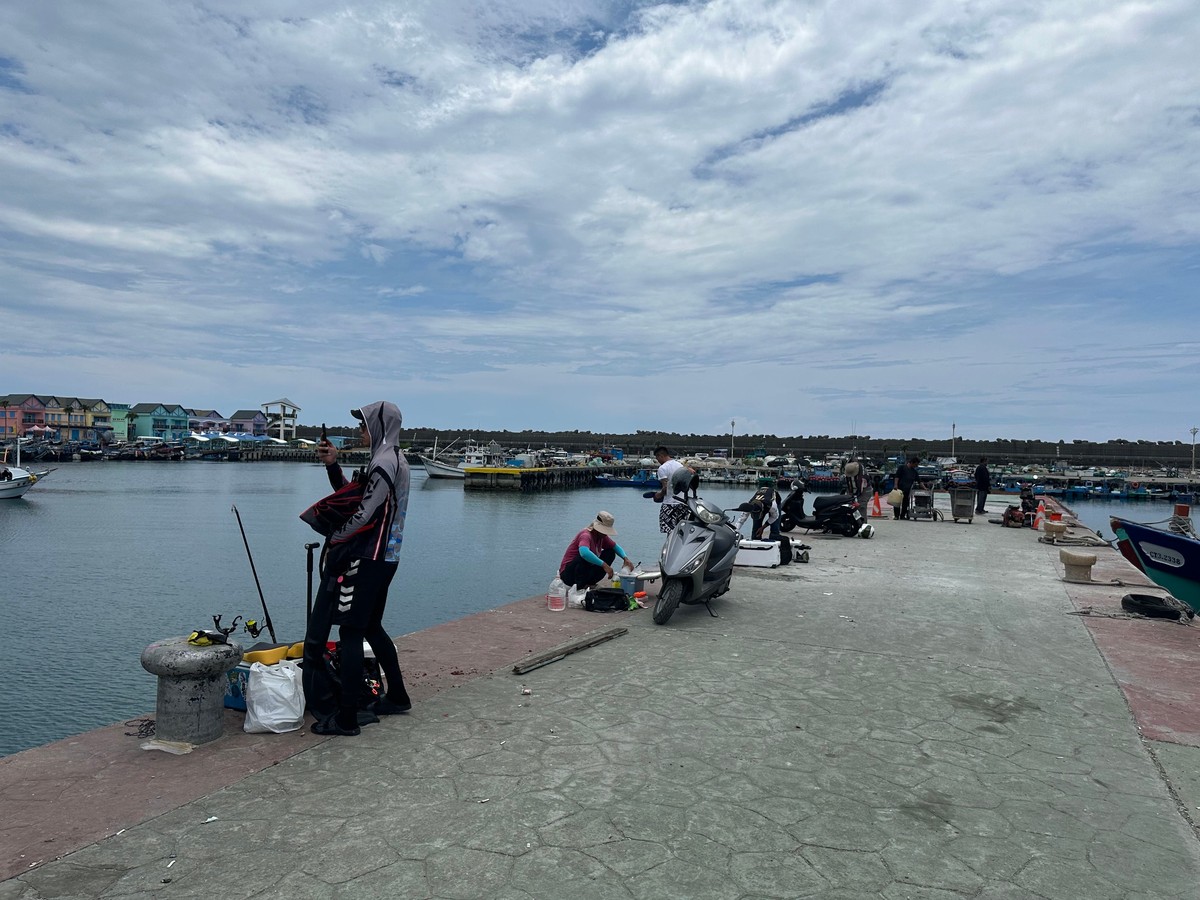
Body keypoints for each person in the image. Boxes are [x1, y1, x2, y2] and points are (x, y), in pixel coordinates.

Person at [300, 402, 412, 737]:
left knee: (350, 632)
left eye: (363, 426)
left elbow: (365, 513)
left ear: (378, 426)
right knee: (372, 627)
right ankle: (397, 696)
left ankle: (347, 718)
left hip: (369, 559)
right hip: (387, 558)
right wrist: (333, 466)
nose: (359, 432)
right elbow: (356, 498)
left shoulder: (383, 462)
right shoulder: (393, 459)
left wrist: (335, 538)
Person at [559, 511, 635, 590]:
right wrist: (604, 565)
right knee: (583, 558)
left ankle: (590, 583)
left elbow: (615, 547)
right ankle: (579, 587)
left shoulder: (601, 537)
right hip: (568, 575)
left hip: (584, 572)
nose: (605, 534)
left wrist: (625, 558)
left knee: (610, 552)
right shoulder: (585, 535)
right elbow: (584, 553)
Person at [652, 446, 689, 533]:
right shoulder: (680, 465)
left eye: (657, 458)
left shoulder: (663, 468)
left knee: (669, 532)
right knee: (682, 531)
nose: (658, 461)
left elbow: (665, 488)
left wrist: (658, 495)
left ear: (660, 456)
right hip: (683, 503)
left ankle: (670, 547)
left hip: (670, 504)